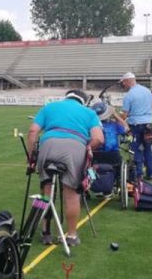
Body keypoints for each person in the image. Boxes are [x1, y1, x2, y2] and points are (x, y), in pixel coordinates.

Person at [27, 89, 104, 247]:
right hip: (75, 147)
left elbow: (33, 131)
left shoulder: (50, 107)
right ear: (83, 101)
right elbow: (99, 139)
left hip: (48, 145)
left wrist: (31, 156)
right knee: (71, 195)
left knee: (45, 193)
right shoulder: (89, 113)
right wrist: (88, 147)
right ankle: (71, 236)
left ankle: (46, 233)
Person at [119, 72, 152, 181]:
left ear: (127, 81)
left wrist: (117, 118)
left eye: (123, 83)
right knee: (148, 148)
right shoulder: (147, 91)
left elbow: (124, 114)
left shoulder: (129, 95)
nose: (123, 85)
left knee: (136, 149)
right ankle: (150, 173)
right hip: (148, 123)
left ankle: (138, 174)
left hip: (136, 124)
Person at [92, 101, 129, 166]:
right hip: (112, 155)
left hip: (95, 155)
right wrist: (115, 115)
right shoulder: (114, 125)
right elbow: (126, 128)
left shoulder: (92, 126)